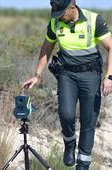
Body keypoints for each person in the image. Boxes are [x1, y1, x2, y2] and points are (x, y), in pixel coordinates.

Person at [22, 0, 112, 169]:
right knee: (66, 114)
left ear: (72, 7)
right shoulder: (55, 23)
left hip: (90, 75)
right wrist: (37, 75)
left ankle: (83, 164)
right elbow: (46, 47)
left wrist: (109, 77)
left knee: (88, 121)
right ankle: (69, 144)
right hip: (67, 75)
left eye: (61, 13)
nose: (58, 17)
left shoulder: (94, 20)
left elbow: (111, 47)